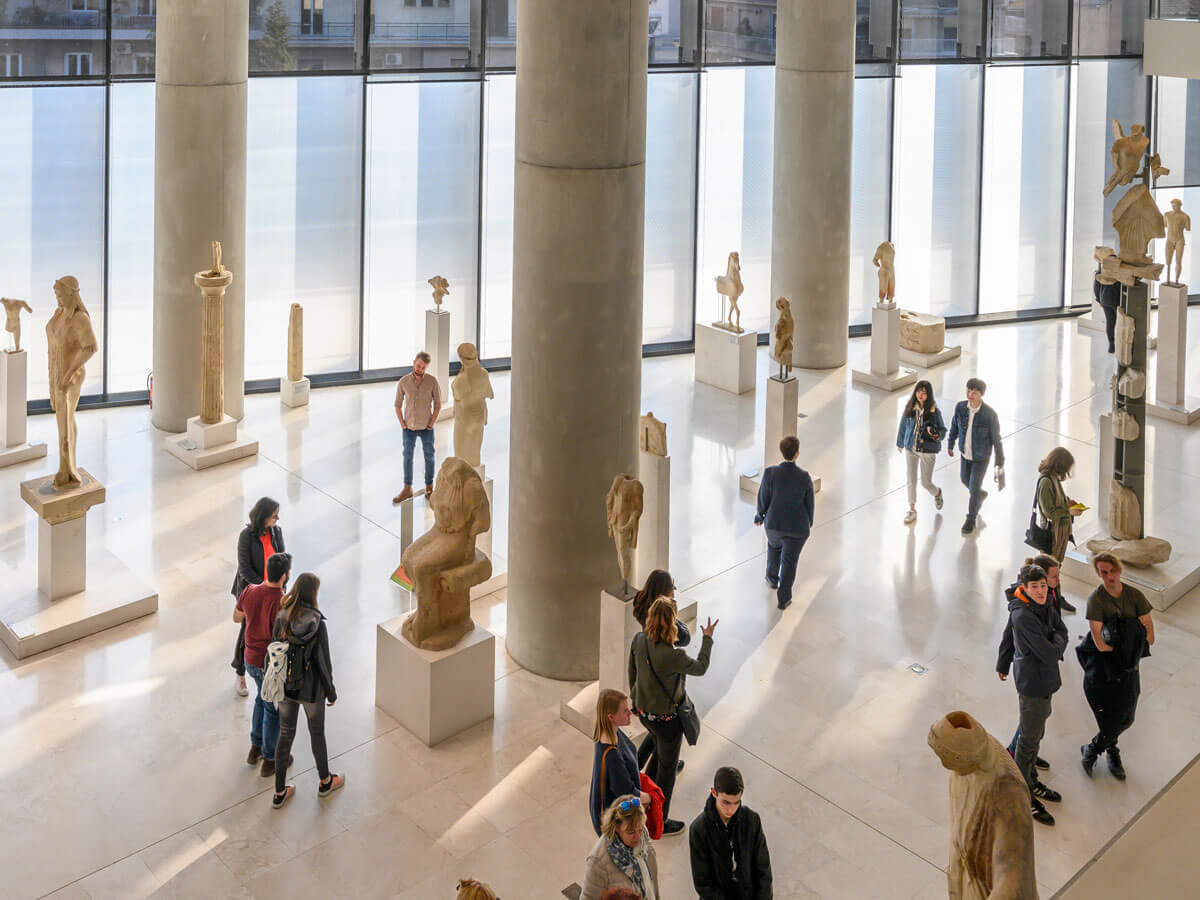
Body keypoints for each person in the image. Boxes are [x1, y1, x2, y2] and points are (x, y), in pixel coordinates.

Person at [629, 599, 717, 835]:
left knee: (657, 746)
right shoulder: (673, 656)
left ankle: (640, 786)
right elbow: (701, 667)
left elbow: (632, 673)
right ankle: (660, 820)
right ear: (672, 623)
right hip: (668, 721)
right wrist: (707, 638)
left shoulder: (639, 640)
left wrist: (635, 702)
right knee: (667, 772)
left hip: (645, 714)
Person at [996, 564, 1068, 826]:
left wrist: (1002, 663)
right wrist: (1055, 641)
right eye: (1034, 587)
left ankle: (1026, 773)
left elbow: (1062, 630)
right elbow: (1050, 651)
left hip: (1045, 678)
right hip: (1033, 681)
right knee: (1029, 738)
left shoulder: (1045, 600)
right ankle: (1024, 789)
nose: (1040, 591)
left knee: (1037, 725)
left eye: (1043, 586)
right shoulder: (1023, 615)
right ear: (1024, 587)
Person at [1078, 552, 1154, 781]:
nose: (1109, 576)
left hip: (1129, 667)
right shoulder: (1096, 599)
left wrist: (1131, 654)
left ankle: (1092, 749)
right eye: (1104, 572)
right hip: (1103, 668)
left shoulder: (1135, 596)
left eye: (1112, 570)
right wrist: (1127, 648)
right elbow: (1100, 641)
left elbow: (1149, 633)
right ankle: (1110, 750)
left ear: (1119, 570)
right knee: (1109, 716)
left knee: (1127, 717)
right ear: (1098, 573)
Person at [270, 573, 342, 809]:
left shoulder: (282, 617)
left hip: (286, 689)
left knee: (285, 735)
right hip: (311, 691)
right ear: (314, 593)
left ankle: (279, 792)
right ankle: (325, 781)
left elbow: (274, 652)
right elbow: (323, 662)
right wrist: (330, 692)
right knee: (317, 734)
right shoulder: (317, 624)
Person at [234, 551, 291, 778]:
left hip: (249, 658)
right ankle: (270, 757)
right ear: (285, 576)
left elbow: (237, 617)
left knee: (261, 699)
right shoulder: (281, 601)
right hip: (269, 664)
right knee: (272, 709)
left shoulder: (250, 590)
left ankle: (255, 747)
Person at [631, 570, 689, 775]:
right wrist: (673, 612)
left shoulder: (639, 602)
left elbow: (632, 674)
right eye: (672, 588)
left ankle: (634, 769)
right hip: (663, 678)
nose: (674, 591)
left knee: (655, 732)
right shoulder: (663, 615)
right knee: (663, 735)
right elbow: (684, 638)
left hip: (646, 674)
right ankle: (657, 774)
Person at [689, 766, 773, 899]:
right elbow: (703, 883)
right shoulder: (699, 829)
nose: (731, 810)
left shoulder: (752, 820)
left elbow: (763, 870)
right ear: (714, 792)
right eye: (726, 802)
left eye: (736, 803)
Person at [230, 497, 286, 697]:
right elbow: (244, 569)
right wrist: (263, 588)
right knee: (248, 628)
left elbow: (282, 560)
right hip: (251, 591)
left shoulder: (276, 532)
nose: (277, 519)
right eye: (274, 515)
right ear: (263, 517)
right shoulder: (246, 536)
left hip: (273, 591)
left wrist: (281, 587)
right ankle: (240, 672)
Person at [754, 435, 815, 610]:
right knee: (789, 561)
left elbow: (763, 497)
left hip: (773, 525)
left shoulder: (770, 472)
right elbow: (809, 503)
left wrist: (759, 515)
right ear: (797, 453)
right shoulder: (804, 477)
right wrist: (809, 521)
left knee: (774, 547)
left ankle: (772, 578)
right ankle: (784, 598)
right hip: (797, 529)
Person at [946, 377, 1005, 536]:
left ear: (981, 395)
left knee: (972, 488)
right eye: (969, 390)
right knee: (965, 480)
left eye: (975, 392)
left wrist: (999, 461)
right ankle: (980, 494)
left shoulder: (989, 414)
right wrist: (950, 443)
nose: (970, 394)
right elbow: (954, 427)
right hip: (965, 454)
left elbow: (996, 438)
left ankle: (970, 519)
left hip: (981, 457)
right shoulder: (960, 408)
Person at [590, 688, 651, 836]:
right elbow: (626, 792)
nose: (630, 712)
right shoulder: (612, 756)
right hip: (616, 824)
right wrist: (649, 797)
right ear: (611, 716)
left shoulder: (611, 732)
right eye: (624, 711)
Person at [581, 795, 660, 900]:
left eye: (640, 829)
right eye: (630, 832)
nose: (637, 837)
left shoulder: (643, 837)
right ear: (616, 827)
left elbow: (652, 883)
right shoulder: (598, 861)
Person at [393, 351, 442, 503]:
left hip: (426, 427)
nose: (420, 369)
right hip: (409, 428)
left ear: (426, 368)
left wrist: (431, 423)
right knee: (407, 457)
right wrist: (402, 423)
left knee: (429, 457)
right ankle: (407, 489)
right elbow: (397, 404)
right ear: (414, 362)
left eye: (423, 368)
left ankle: (429, 487)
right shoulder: (403, 382)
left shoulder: (432, 381)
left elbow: (438, 404)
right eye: (418, 366)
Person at [895, 379, 946, 525]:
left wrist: (936, 435)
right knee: (911, 480)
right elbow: (903, 426)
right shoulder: (910, 408)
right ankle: (912, 509)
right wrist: (900, 443)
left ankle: (937, 493)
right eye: (918, 391)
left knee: (925, 482)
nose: (920, 395)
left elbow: (943, 430)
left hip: (927, 451)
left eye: (924, 393)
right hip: (910, 448)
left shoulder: (934, 411)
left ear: (928, 395)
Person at [1035, 447, 1083, 563]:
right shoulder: (1046, 482)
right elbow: (1049, 513)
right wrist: (1069, 511)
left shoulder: (1053, 477)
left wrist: (1068, 503)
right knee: (1050, 566)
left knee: (1056, 565)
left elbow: (1057, 499)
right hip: (1052, 534)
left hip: (1060, 532)